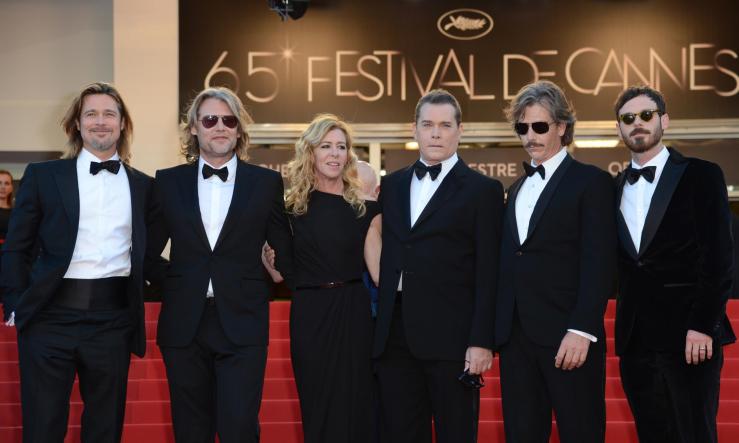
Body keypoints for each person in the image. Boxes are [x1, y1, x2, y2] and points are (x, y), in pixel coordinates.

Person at [0, 82, 151, 442]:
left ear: (123, 124)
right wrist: (17, 304)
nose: (100, 121)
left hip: (113, 322)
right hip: (49, 319)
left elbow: (153, 250)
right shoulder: (43, 176)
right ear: (77, 124)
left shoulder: (144, 186)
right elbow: (16, 247)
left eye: (109, 114)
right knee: (43, 427)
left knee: (105, 429)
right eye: (91, 114)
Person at [145, 87, 293, 443]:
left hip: (243, 322)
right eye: (210, 120)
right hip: (185, 324)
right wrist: (179, 281)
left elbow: (285, 248)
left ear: (239, 130)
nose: (220, 127)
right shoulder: (168, 181)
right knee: (190, 430)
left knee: (239, 428)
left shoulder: (266, 183)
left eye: (229, 120)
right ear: (194, 128)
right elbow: (146, 253)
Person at [372, 89, 503, 443]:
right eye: (428, 124)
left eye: (445, 125)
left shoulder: (483, 191)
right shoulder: (392, 185)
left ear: (460, 131)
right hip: (395, 337)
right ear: (413, 129)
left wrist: (481, 341)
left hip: (454, 341)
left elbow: (489, 271)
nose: (435, 133)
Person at [495, 80, 616, 442]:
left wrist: (581, 330)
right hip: (517, 339)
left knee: (581, 432)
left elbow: (599, 262)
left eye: (539, 126)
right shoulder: (516, 189)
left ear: (562, 126)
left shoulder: (591, 182)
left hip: (569, 336)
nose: (530, 136)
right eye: (522, 128)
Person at [613, 85, 735, 443]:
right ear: (619, 128)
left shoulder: (701, 174)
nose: (637, 123)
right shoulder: (614, 187)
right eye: (628, 118)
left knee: (694, 433)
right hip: (636, 341)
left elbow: (719, 257)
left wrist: (702, 325)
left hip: (689, 337)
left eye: (646, 115)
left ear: (664, 121)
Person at [263, 114, 381, 442]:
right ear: (310, 152)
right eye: (326, 146)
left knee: (357, 403)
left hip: (353, 311)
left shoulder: (366, 209)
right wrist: (265, 253)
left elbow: (379, 273)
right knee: (317, 402)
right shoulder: (290, 210)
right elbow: (278, 274)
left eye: (341, 147)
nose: (334, 154)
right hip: (310, 313)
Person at [0, 170, 14, 240]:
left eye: (7, 183)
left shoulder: (17, 213)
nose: (3, 187)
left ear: (11, 188)